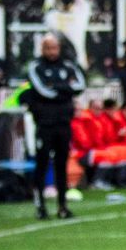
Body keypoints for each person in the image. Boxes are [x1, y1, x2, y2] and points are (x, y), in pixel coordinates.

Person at [21, 34, 84, 220]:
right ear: (42, 49)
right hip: (44, 123)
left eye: (54, 48)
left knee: (61, 164)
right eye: (48, 48)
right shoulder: (36, 67)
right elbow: (43, 91)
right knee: (41, 163)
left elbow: (80, 85)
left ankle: (62, 206)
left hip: (64, 122)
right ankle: (40, 205)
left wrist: (58, 87)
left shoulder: (68, 65)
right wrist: (65, 88)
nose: (52, 52)